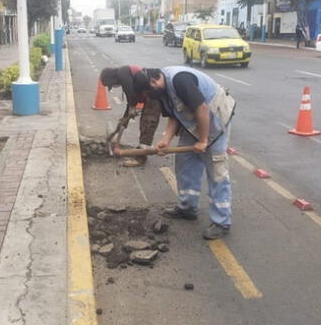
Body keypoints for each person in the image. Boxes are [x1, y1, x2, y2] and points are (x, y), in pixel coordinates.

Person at [141, 66, 235, 240]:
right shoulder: (160, 89)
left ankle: (222, 222)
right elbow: (173, 115)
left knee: (216, 170)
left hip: (216, 117)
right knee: (185, 162)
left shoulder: (180, 80)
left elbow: (202, 109)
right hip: (195, 122)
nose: (149, 97)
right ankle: (187, 208)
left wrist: (203, 140)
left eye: (148, 92)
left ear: (154, 81)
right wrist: (166, 140)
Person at [100, 66, 162, 167]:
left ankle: (141, 159)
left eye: (111, 85)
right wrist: (124, 121)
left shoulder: (123, 72)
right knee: (144, 126)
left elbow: (131, 95)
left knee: (147, 126)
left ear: (112, 78)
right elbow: (131, 99)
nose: (115, 86)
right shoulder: (127, 77)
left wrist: (132, 108)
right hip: (150, 98)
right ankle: (142, 153)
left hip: (155, 96)